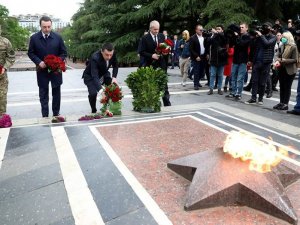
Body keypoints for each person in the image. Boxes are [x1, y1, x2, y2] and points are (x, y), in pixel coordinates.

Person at [28, 16, 67, 118]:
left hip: (56, 70)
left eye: (49, 26)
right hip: (42, 70)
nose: (47, 29)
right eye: (44, 27)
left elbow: (63, 53)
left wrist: (58, 61)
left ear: (51, 25)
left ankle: (56, 113)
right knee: (43, 94)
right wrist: (38, 62)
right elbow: (30, 53)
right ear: (40, 26)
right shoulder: (34, 38)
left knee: (56, 94)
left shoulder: (58, 37)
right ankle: (45, 115)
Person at [139, 20, 171, 106]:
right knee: (152, 85)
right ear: (150, 28)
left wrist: (166, 52)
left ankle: (167, 103)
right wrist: (151, 55)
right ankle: (155, 103)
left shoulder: (161, 36)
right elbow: (141, 52)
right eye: (155, 29)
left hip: (161, 65)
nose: (157, 31)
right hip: (150, 66)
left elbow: (166, 47)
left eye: (158, 29)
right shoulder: (145, 38)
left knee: (164, 85)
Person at [245, 22, 276, 105]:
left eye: (266, 27)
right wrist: (255, 37)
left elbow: (267, 44)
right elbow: (252, 46)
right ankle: (253, 98)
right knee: (254, 81)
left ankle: (261, 99)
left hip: (266, 63)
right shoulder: (259, 37)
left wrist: (261, 36)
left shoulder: (273, 37)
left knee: (262, 82)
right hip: (257, 62)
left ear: (270, 28)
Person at [82, 43, 118, 113]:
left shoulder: (112, 54)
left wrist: (114, 77)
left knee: (112, 87)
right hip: (90, 76)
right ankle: (93, 110)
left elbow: (115, 66)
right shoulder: (95, 57)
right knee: (93, 93)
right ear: (102, 51)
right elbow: (94, 76)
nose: (109, 57)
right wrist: (101, 92)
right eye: (107, 55)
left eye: (111, 55)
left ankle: (107, 108)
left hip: (104, 73)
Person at [273, 31, 298, 111]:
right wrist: (277, 60)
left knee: (287, 87)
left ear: (288, 38)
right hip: (282, 69)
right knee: (282, 86)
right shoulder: (282, 45)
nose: (282, 38)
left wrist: (284, 60)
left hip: (290, 70)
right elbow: (278, 56)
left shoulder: (293, 47)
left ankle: (285, 104)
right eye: (282, 37)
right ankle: (281, 102)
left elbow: (295, 60)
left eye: (284, 37)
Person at [226, 23, 250, 100]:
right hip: (235, 59)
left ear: (246, 28)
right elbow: (231, 45)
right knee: (233, 76)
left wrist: (237, 36)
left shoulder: (247, 36)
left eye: (242, 27)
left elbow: (242, 44)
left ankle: (238, 93)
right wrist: (232, 36)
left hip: (243, 60)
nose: (241, 28)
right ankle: (233, 92)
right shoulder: (238, 36)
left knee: (240, 78)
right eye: (240, 27)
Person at [207, 25, 228, 95]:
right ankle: (211, 89)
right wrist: (213, 35)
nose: (217, 30)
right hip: (214, 58)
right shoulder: (214, 36)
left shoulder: (223, 36)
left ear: (222, 30)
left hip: (221, 59)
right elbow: (208, 42)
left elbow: (225, 41)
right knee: (212, 74)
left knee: (220, 75)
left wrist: (218, 33)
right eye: (217, 29)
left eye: (219, 29)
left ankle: (219, 88)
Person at [0, 25, 15, 119]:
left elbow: (11, 57)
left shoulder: (5, 42)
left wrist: (4, 68)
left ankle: (1, 118)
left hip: (1, 76)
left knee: (1, 97)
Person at [189, 24, 208, 90]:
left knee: (202, 71)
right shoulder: (192, 38)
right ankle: (195, 84)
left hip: (203, 56)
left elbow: (206, 46)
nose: (201, 31)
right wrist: (196, 56)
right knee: (196, 71)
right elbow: (191, 49)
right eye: (200, 30)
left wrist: (207, 54)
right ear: (196, 30)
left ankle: (198, 81)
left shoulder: (204, 37)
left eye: (202, 30)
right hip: (196, 57)